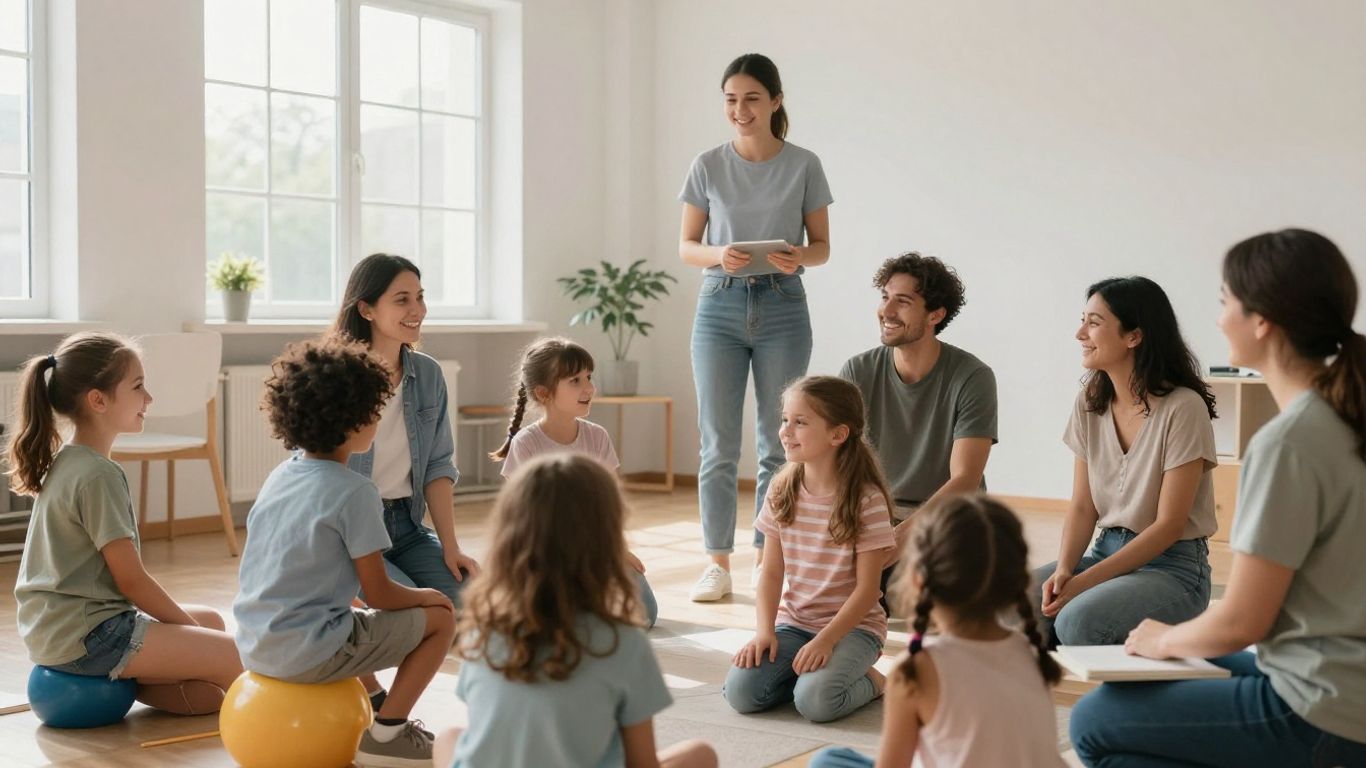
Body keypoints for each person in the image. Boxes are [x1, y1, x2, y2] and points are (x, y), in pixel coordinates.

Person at [1070, 229, 1366, 767]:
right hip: (1339, 680)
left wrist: (1164, 641)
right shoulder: (1345, 418)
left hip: (1326, 708)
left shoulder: (1290, 442)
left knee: (1093, 722)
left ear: (1262, 321)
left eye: (1225, 301)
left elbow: (1242, 622)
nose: (1217, 318)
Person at [234, 337, 455, 766]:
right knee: (442, 620)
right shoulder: (355, 491)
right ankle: (389, 734)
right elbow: (381, 594)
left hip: (254, 644)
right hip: (308, 653)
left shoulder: (282, 475)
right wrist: (429, 597)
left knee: (347, 608)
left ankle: (373, 699)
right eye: (374, 413)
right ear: (354, 422)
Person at [434, 454, 717, 768]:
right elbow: (642, 764)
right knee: (700, 755)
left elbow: (494, 739)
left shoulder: (484, 629)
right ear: (607, 542)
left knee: (449, 737)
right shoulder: (623, 643)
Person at [11, 332, 242, 715]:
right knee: (233, 654)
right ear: (98, 400)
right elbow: (131, 581)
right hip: (92, 636)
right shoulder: (99, 475)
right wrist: (189, 634)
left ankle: (133, 681)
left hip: (57, 632)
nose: (148, 399)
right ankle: (136, 670)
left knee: (211, 630)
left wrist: (190, 633)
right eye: (138, 387)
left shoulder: (68, 461)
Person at [678, 53, 833, 602]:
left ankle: (769, 555)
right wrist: (720, 253)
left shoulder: (804, 164)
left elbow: (822, 249)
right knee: (717, 445)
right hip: (718, 306)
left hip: (784, 305)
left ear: (775, 101)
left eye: (750, 98)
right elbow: (687, 247)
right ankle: (716, 562)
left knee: (779, 442)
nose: (739, 110)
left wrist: (797, 258)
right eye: (730, 99)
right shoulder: (707, 164)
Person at [808, 495, 1065, 768]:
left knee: (827, 762)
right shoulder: (1030, 652)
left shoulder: (917, 668)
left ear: (918, 581)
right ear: (1019, 583)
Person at [1033, 276, 1218, 646]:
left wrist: (1085, 583)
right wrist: (1067, 570)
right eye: (1082, 319)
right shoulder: (1089, 401)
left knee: (1077, 622)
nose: (1080, 333)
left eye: (1094, 322)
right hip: (1105, 552)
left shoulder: (1183, 408)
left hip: (1172, 568)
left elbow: (1169, 525)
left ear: (1134, 336)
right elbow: (1083, 506)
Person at [332, 253, 479, 710]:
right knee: (410, 616)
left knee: (480, 609)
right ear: (367, 309)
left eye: (420, 297)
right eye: (402, 299)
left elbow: (438, 466)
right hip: (352, 535)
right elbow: (319, 472)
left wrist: (451, 547)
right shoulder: (337, 376)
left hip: (407, 528)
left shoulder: (428, 375)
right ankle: (381, 704)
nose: (417, 309)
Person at [723, 376, 894, 723]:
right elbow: (771, 573)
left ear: (838, 434)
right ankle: (802, 678)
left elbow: (867, 591)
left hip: (854, 629)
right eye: (786, 419)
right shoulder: (782, 490)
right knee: (741, 693)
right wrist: (764, 631)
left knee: (816, 703)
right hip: (796, 622)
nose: (786, 430)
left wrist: (826, 641)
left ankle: (876, 682)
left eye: (800, 422)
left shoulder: (867, 500)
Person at [838, 252, 998, 609]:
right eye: (885, 297)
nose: (887, 310)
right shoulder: (857, 371)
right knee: (832, 591)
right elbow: (841, 464)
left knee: (919, 596)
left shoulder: (972, 377)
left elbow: (965, 480)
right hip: (877, 513)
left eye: (903, 301)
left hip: (947, 516)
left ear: (935, 315)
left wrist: (897, 540)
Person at [490, 336, 657, 627]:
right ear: (543, 393)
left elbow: (610, 506)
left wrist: (616, 548)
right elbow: (520, 521)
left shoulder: (597, 436)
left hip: (595, 550)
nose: (589, 388)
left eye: (589, 377)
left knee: (646, 613)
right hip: (543, 554)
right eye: (575, 381)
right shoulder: (526, 444)